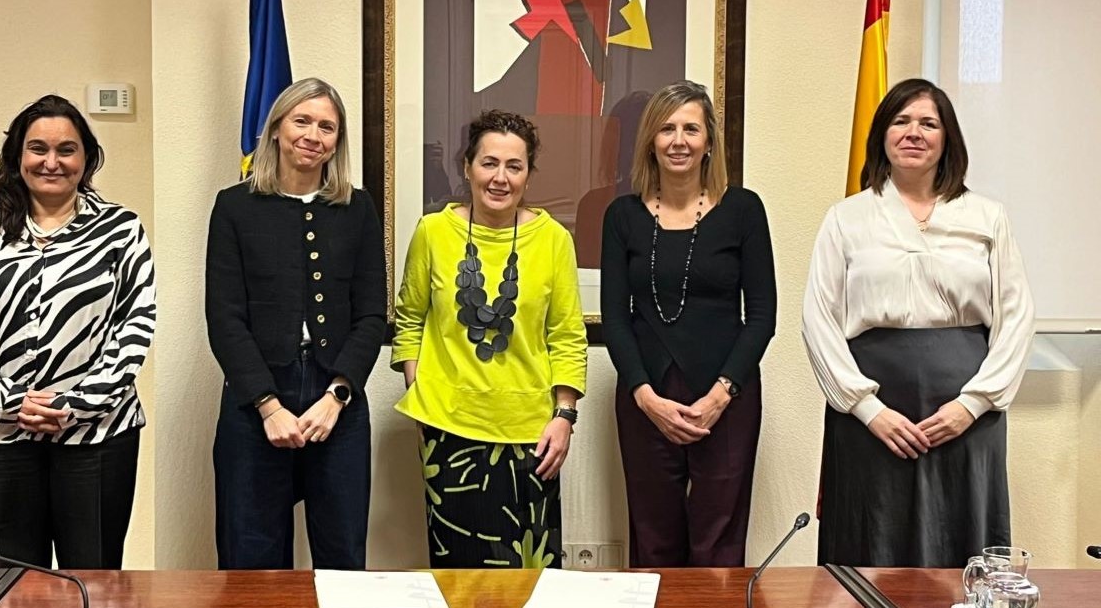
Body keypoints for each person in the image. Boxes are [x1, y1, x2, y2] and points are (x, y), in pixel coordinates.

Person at [802, 78, 1035, 568]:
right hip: (871, 417)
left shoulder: (987, 217)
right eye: (900, 121)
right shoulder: (846, 218)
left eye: (928, 123)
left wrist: (972, 405)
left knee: (963, 548)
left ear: (947, 137)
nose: (914, 132)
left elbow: (1017, 316)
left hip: (967, 414)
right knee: (870, 545)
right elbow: (818, 319)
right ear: (882, 135)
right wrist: (868, 409)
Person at [0, 94, 156, 569]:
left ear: (87, 157)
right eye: (38, 148)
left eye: (66, 150)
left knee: (94, 581)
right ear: (17, 156)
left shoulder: (121, 229)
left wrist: (73, 404)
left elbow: (135, 325)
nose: (51, 162)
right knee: (11, 584)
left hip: (97, 435)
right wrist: (9, 403)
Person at [392, 109, 587, 569]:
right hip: (448, 430)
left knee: (531, 580)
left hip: (533, 435)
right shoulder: (433, 232)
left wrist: (564, 416)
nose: (500, 177)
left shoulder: (554, 239)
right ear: (467, 167)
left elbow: (567, 335)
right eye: (489, 163)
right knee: (458, 578)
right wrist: (419, 390)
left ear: (528, 175)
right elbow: (409, 319)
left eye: (514, 166)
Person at [206, 78, 387, 570]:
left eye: (326, 126)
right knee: (251, 560)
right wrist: (268, 406)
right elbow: (225, 317)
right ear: (276, 129)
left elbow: (372, 314)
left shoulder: (357, 209)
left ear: (337, 140)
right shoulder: (235, 206)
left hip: (337, 399)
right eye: (301, 121)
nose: (313, 135)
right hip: (256, 400)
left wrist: (338, 395)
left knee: (342, 558)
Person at [600, 80, 776, 567]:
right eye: (666, 129)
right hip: (645, 395)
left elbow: (762, 316)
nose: (678, 140)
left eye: (690, 129)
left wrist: (720, 396)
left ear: (709, 142)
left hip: (728, 396)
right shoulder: (622, 216)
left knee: (719, 544)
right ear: (650, 141)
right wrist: (645, 397)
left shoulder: (743, 210)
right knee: (653, 540)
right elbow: (616, 319)